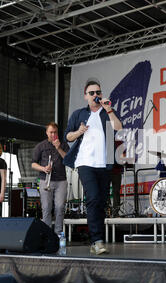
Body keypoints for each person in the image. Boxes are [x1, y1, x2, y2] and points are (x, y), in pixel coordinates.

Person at [64, 79, 123, 255]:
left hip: (104, 164)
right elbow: (68, 137)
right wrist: (79, 132)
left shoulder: (107, 112)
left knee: (101, 202)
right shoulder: (79, 114)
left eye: (98, 92)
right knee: (93, 198)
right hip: (85, 163)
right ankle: (97, 240)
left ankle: (96, 241)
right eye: (92, 93)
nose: (95, 95)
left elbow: (118, 128)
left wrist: (109, 109)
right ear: (85, 96)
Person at [32, 122, 70, 235]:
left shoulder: (63, 144)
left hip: (61, 180)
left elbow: (68, 160)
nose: (53, 134)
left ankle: (58, 233)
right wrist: (43, 168)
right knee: (46, 207)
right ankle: (47, 233)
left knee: (60, 207)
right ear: (46, 132)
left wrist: (58, 148)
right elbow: (33, 164)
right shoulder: (41, 146)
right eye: (51, 132)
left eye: (55, 132)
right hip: (45, 180)